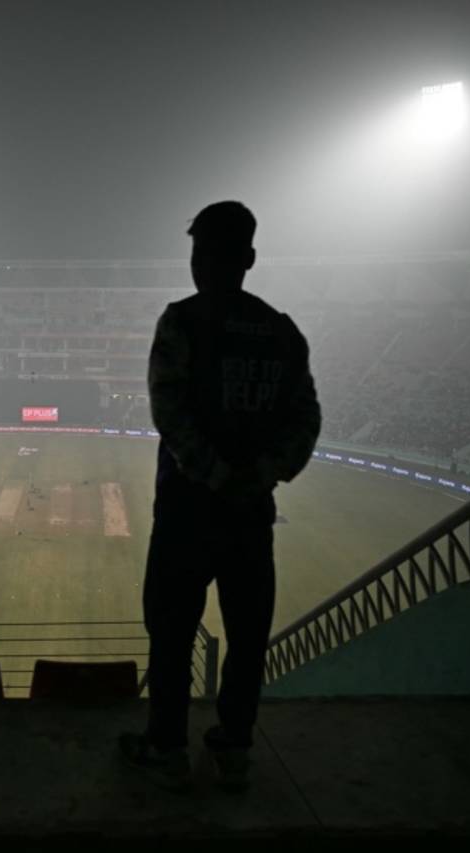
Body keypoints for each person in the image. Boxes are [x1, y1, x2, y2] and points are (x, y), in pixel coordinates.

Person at [119, 201, 321, 792]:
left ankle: (166, 745)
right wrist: (259, 476)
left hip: (187, 511)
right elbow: (305, 421)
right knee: (247, 633)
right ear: (250, 259)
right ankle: (234, 744)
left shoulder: (181, 321)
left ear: (198, 256)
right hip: (251, 515)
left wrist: (215, 475)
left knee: (172, 632)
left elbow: (170, 413)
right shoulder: (282, 332)